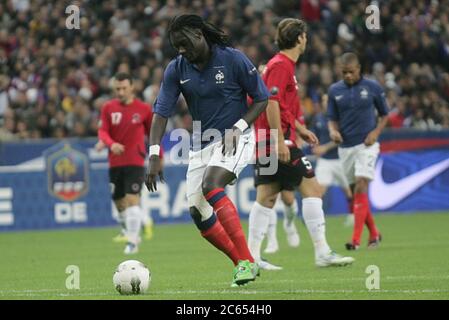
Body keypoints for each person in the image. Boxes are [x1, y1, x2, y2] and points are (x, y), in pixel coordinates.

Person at [145, 14, 270, 287]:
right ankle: (240, 263)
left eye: (184, 43)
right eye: (176, 46)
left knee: (212, 185)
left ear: (199, 35)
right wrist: (154, 152)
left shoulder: (233, 58)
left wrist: (238, 127)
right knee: (197, 211)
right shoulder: (177, 68)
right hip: (202, 145)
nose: (181, 50)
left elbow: (261, 97)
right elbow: (161, 111)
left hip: (237, 136)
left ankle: (248, 260)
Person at [248, 18, 354, 270]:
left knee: (266, 197)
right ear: (299, 38)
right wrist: (280, 139)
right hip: (276, 140)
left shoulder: (280, 65)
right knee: (313, 190)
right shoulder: (281, 65)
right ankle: (322, 252)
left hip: (269, 140)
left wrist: (300, 128)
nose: (306, 40)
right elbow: (271, 103)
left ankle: (250, 258)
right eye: (304, 36)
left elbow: (280, 105)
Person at [327, 52, 389, 250]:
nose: (347, 76)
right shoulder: (334, 90)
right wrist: (332, 131)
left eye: (351, 72)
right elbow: (332, 118)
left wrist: (376, 133)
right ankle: (375, 234)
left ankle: (355, 240)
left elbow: (385, 114)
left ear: (359, 69)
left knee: (362, 185)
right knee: (357, 194)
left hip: (366, 145)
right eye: (344, 72)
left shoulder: (372, 87)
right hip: (345, 148)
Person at [96, 72, 157, 254]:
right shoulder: (108, 108)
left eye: (124, 88)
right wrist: (111, 143)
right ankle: (127, 230)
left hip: (135, 160)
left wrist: (158, 155)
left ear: (132, 87)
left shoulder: (144, 109)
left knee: (132, 199)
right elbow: (103, 132)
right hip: (115, 162)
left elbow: (152, 133)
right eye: (117, 89)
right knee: (119, 203)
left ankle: (132, 241)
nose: (121, 92)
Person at [311, 94, 354, 227]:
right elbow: (314, 136)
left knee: (348, 190)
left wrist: (325, 147)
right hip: (325, 161)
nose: (326, 103)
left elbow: (344, 137)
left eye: (328, 100)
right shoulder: (318, 118)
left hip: (341, 159)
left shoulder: (339, 118)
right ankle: (318, 219)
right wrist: (315, 147)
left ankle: (352, 216)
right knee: (319, 191)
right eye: (324, 100)